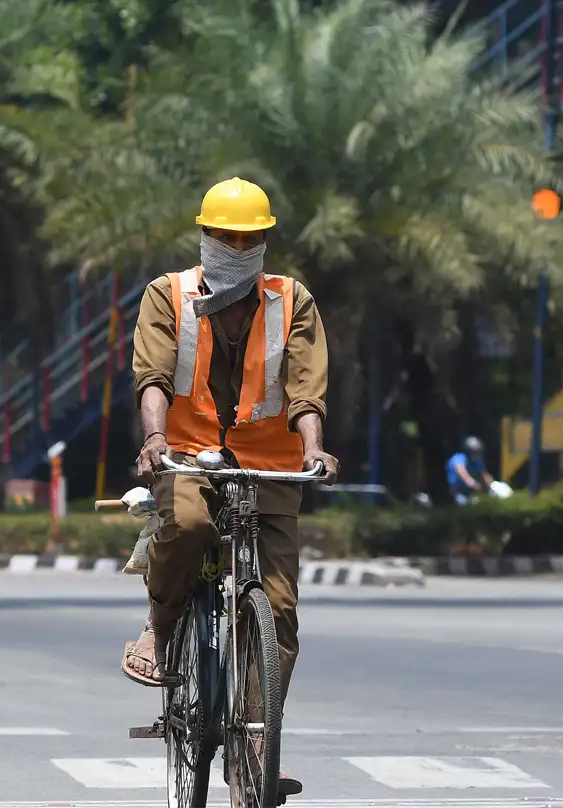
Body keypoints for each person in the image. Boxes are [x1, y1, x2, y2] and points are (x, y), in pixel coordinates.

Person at [123, 177, 339, 798]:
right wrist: (155, 439)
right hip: (188, 456)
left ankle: (256, 744)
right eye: (225, 236)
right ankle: (161, 626)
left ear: (264, 242)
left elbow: (306, 387)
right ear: (205, 236)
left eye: (249, 239)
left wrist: (313, 448)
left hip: (268, 466)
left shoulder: (292, 300)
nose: (237, 247)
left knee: (280, 609)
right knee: (189, 525)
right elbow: (153, 375)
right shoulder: (167, 295)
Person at [446, 436, 493, 505]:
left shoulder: (477, 461)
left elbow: (485, 475)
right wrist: (475, 485)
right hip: (457, 493)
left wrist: (492, 485)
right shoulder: (458, 458)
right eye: (474, 451)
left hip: (471, 493)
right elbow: (463, 474)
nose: (477, 454)